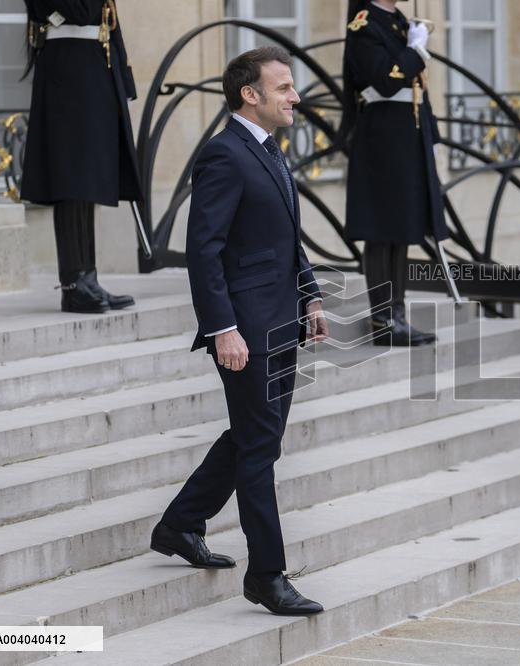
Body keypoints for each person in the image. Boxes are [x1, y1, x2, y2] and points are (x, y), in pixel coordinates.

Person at [150, 46, 327, 616]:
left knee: (260, 436)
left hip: (281, 319)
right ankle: (267, 576)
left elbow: (285, 236)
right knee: (258, 447)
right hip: (245, 328)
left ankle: (180, 525)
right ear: (250, 95)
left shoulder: (270, 151)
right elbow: (204, 252)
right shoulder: (223, 156)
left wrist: (310, 295)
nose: (295, 96)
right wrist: (222, 328)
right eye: (284, 88)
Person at [341, 0, 447, 346]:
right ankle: (383, 318)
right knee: (381, 230)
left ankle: (397, 313)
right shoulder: (364, 25)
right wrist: (416, 49)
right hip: (381, 138)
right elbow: (386, 81)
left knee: (402, 230)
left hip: (407, 136)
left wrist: (431, 134)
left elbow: (420, 88)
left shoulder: (399, 22)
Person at [21, 0, 137, 313]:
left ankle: (89, 279)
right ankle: (73, 285)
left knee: (88, 182)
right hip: (67, 70)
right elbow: (81, 10)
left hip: (96, 66)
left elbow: (108, 18)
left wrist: (123, 79)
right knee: (71, 180)